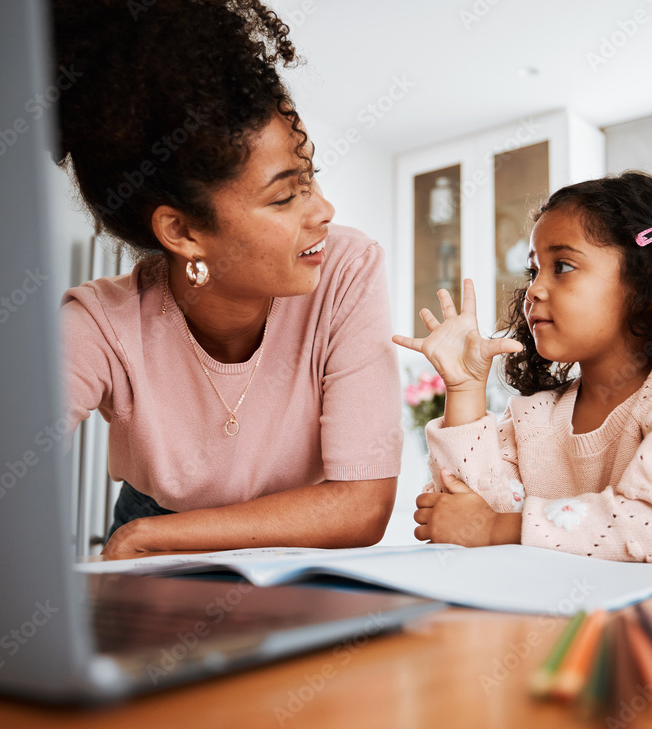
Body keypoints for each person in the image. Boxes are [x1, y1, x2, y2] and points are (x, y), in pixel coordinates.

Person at [54, 0, 401, 556]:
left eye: (310, 178)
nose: (324, 211)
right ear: (183, 230)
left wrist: (151, 535)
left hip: (292, 534)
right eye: (286, 195)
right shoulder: (99, 327)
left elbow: (362, 505)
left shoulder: (348, 269)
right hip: (156, 521)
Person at [394, 172, 652, 564]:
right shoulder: (534, 414)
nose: (533, 289)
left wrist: (495, 528)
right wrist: (464, 388)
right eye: (533, 270)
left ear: (647, 284)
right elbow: (467, 511)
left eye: (563, 266)